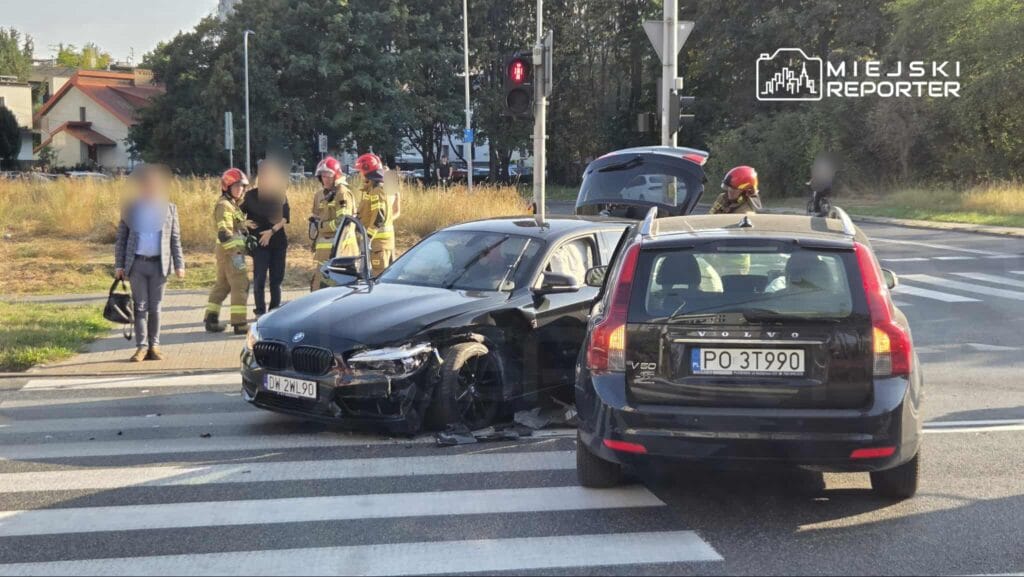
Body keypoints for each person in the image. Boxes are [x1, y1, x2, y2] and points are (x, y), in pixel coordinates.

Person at [113, 164, 184, 362]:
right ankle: (141, 347)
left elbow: (175, 238)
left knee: (156, 307)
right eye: (146, 185)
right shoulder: (132, 208)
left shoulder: (170, 209)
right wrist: (119, 265)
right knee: (140, 307)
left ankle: (155, 345)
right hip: (137, 265)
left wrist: (179, 264)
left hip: (160, 265)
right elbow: (122, 238)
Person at [205, 168, 252, 334]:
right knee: (241, 285)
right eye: (236, 186)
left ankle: (211, 319)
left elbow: (238, 229)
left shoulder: (232, 205)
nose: (240, 189)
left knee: (223, 285)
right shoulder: (225, 205)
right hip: (231, 252)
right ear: (227, 187)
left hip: (226, 252)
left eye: (242, 186)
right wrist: (236, 252)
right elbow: (224, 233)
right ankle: (239, 324)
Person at [241, 159, 290, 316]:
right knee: (259, 280)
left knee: (276, 281)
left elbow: (285, 218)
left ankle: (274, 312)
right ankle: (260, 312)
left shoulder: (279, 195)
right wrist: (243, 222)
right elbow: (235, 212)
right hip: (259, 245)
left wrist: (271, 232)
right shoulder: (249, 196)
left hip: (277, 242)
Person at [309, 156, 355, 290]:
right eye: (322, 176)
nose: (325, 179)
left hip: (340, 250)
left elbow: (344, 221)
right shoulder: (319, 195)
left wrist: (323, 227)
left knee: (336, 288)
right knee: (318, 286)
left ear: (336, 175)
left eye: (329, 175)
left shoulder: (342, 193)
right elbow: (316, 217)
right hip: (322, 251)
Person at [354, 153, 395, 274]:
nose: (360, 175)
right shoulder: (373, 190)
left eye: (361, 172)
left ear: (368, 172)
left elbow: (379, 217)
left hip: (378, 246)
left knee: (379, 280)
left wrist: (367, 237)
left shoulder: (377, 191)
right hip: (378, 246)